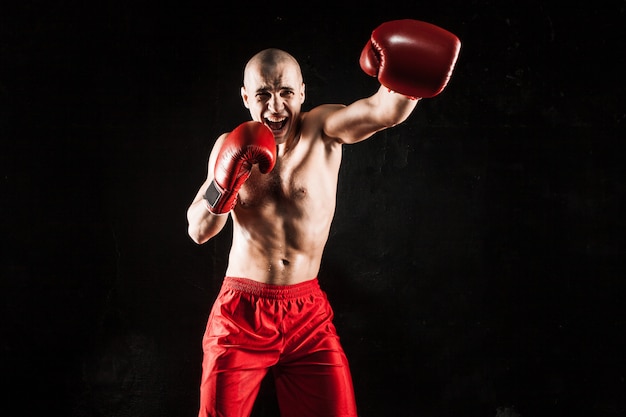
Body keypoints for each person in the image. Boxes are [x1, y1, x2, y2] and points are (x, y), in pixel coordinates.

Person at [186, 19, 460, 417]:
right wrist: (224, 187)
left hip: (306, 315)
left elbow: (383, 111)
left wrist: (407, 77)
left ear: (302, 93)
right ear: (246, 97)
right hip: (240, 315)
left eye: (285, 93)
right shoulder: (227, 146)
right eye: (263, 94)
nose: (276, 107)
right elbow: (198, 231)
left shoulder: (324, 130)